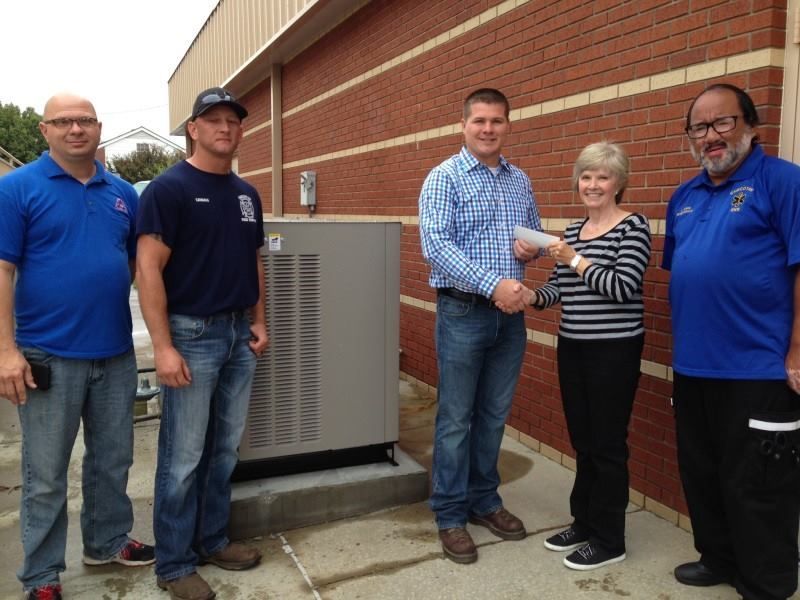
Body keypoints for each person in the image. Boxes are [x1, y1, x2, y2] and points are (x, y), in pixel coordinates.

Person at [0, 93, 154, 600]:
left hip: (114, 353)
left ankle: (106, 541)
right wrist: (6, 350)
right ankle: (42, 575)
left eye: (84, 120)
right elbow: (2, 270)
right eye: (63, 121)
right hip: (47, 355)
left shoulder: (123, 194)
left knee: (112, 460)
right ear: (44, 131)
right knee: (45, 473)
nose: (75, 129)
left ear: (98, 127)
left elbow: (134, 262)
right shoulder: (17, 188)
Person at [663, 83, 800, 600]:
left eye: (723, 123)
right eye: (699, 128)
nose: (711, 136)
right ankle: (717, 558)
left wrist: (797, 350)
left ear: (750, 126)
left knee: (759, 483)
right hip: (695, 366)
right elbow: (689, 273)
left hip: (758, 367)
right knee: (703, 472)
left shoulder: (783, 182)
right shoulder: (684, 196)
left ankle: (768, 582)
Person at [136, 87, 269, 600]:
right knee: (183, 456)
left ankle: (213, 539)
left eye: (233, 121)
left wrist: (259, 321)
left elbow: (253, 260)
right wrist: (163, 348)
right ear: (193, 128)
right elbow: (148, 268)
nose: (226, 128)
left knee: (223, 451)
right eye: (213, 120)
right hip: (192, 336)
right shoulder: (168, 190)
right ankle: (173, 563)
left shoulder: (245, 193)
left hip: (239, 335)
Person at [418, 88, 541, 564]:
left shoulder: (520, 179)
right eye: (480, 121)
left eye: (497, 121)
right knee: (455, 419)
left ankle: (484, 500)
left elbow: (528, 231)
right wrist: (494, 284)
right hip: (464, 312)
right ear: (464, 125)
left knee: (492, 415)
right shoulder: (443, 178)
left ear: (509, 124)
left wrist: (528, 249)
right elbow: (437, 246)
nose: (488, 129)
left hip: (508, 318)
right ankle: (450, 513)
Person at [523, 142, 650, 570]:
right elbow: (561, 289)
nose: (592, 185)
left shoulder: (633, 228)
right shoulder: (573, 232)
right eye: (586, 176)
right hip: (573, 346)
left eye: (602, 177)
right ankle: (584, 521)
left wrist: (574, 258)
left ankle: (611, 539)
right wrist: (531, 297)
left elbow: (621, 287)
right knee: (583, 442)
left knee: (608, 444)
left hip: (614, 350)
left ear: (619, 184)